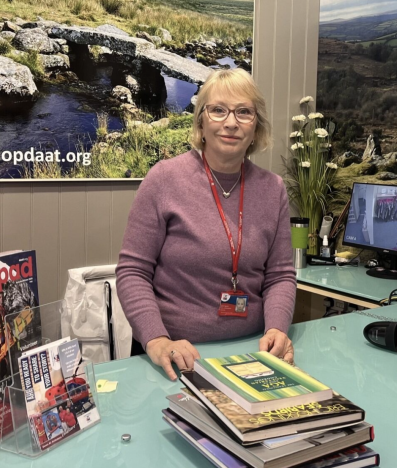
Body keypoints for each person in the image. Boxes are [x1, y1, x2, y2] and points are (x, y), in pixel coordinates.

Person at [116, 69, 297, 381]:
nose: (231, 122)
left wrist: (277, 329)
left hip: (251, 355)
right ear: (200, 122)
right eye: (218, 110)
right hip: (177, 358)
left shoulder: (273, 188)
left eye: (244, 112)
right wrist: (157, 340)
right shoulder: (163, 179)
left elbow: (280, 275)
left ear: (256, 127)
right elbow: (133, 272)